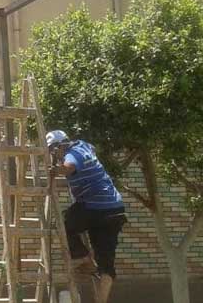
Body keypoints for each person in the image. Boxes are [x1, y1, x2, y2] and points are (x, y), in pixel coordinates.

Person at [47, 129, 127, 303]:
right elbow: (92, 149)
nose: (54, 155)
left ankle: (85, 259)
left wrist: (57, 170)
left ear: (59, 146)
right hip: (114, 209)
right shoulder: (84, 145)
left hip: (94, 206)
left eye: (53, 151)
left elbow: (69, 167)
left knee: (63, 225)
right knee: (106, 264)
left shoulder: (71, 154)